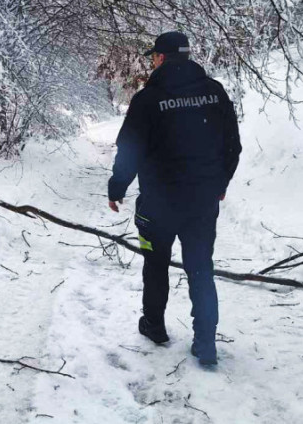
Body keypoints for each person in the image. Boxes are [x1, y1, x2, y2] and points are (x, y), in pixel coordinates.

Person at [107, 31, 241, 367]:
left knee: (155, 265)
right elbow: (232, 145)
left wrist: (117, 187)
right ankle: (205, 342)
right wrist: (220, 182)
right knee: (200, 269)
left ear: (162, 58)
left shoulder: (148, 100)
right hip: (201, 202)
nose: (152, 60)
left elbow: (130, 150)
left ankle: (154, 326)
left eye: (154, 56)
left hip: (158, 204)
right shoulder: (214, 93)